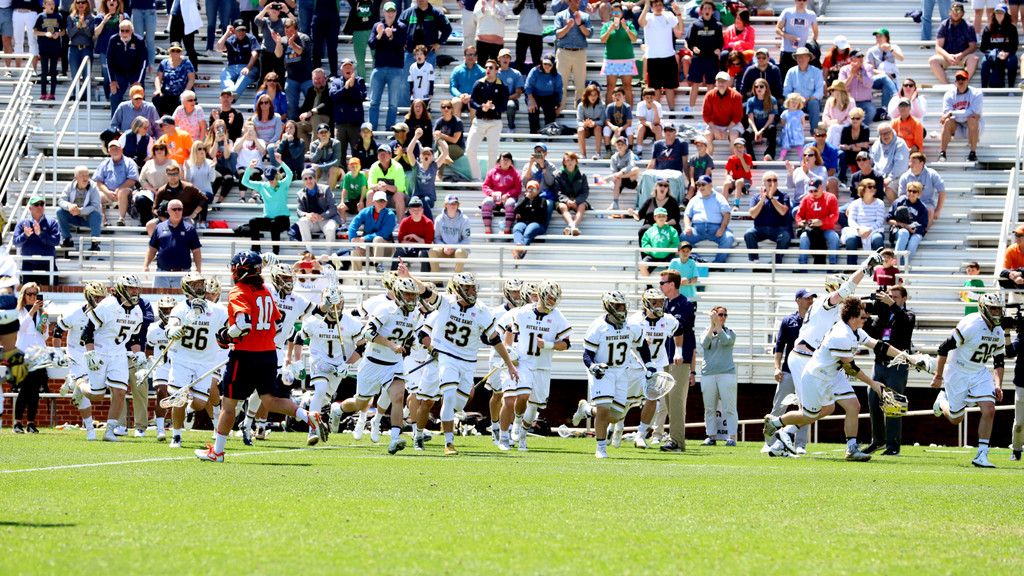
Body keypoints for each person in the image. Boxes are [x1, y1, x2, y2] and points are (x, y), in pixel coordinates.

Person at [195, 252, 327, 462]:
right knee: (271, 400)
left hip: (245, 354)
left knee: (229, 405)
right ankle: (307, 416)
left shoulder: (239, 291)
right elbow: (277, 324)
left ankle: (217, 452)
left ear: (240, 270)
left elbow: (243, 324)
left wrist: (225, 336)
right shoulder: (266, 291)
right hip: (268, 353)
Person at [765, 296, 908, 461]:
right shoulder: (841, 335)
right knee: (809, 415)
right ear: (852, 317)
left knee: (853, 406)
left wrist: (907, 357)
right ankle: (776, 423)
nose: (866, 320)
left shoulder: (855, 329)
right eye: (863, 317)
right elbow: (851, 368)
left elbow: (879, 345)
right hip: (817, 377)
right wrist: (873, 384)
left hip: (833, 374)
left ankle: (852, 449)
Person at [572, 292, 651, 458]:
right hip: (603, 372)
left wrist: (649, 364)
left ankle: (586, 409)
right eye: (617, 306)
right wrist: (592, 366)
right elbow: (587, 353)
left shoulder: (632, 325)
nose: (622, 309)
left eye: (623, 305)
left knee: (616, 416)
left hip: (622, 373)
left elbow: (642, 345)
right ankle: (600, 448)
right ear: (608, 307)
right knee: (603, 410)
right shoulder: (598, 326)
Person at [930, 293, 1004, 468]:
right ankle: (942, 402)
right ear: (984, 308)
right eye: (993, 308)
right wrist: (939, 376)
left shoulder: (999, 330)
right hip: (958, 371)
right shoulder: (972, 324)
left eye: (999, 308)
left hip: (979, 372)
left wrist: (998, 385)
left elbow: (999, 361)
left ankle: (982, 454)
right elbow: (943, 348)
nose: (996, 312)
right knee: (956, 419)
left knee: (990, 409)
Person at [68, 275, 144, 443]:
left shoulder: (138, 311)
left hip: (118, 354)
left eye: (136, 288)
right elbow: (87, 331)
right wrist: (91, 353)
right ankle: (80, 386)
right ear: (122, 288)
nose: (135, 291)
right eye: (131, 288)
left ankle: (109, 431)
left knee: (120, 391)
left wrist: (139, 355)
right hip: (100, 353)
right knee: (97, 396)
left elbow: (135, 338)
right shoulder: (108, 305)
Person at [498, 280, 569, 451]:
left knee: (534, 404)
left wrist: (548, 344)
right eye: (550, 297)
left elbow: (566, 344)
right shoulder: (523, 312)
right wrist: (509, 350)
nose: (553, 301)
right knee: (522, 395)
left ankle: (522, 435)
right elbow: (509, 330)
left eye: (555, 298)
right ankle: (515, 423)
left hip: (543, 366)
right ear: (543, 295)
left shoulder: (558, 317)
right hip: (523, 363)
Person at [165, 274, 229, 449]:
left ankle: (187, 412)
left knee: (200, 403)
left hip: (205, 362)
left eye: (201, 283)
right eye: (195, 284)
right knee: (179, 397)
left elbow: (230, 326)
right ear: (186, 287)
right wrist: (172, 330)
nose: (200, 287)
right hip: (182, 359)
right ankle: (176, 435)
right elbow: (171, 324)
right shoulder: (179, 308)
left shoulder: (216, 309)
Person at [860, 285, 916, 456]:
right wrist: (866, 317)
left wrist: (891, 304)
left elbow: (905, 323)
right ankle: (877, 441)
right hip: (879, 364)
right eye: (890, 296)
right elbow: (870, 333)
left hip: (897, 366)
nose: (891, 299)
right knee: (873, 400)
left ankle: (893, 445)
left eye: (895, 297)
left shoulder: (908, 315)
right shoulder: (883, 315)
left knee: (893, 404)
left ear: (904, 299)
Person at [764, 288, 814, 453]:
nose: (810, 300)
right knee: (779, 406)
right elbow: (779, 346)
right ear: (798, 300)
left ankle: (800, 445)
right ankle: (769, 442)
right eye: (807, 298)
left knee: (805, 408)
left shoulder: (815, 321)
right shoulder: (787, 321)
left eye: (811, 298)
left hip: (807, 372)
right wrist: (776, 368)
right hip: (788, 370)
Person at [698, 305, 737, 445]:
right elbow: (704, 343)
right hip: (708, 374)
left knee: (730, 408)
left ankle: (731, 437)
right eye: (720, 314)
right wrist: (712, 325)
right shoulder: (705, 332)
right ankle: (711, 436)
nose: (722, 317)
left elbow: (726, 341)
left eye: (724, 315)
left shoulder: (730, 333)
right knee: (709, 408)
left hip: (727, 374)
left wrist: (717, 325)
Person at [465, 58, 509, 181]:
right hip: (479, 120)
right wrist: (481, 107)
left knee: (493, 151)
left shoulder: (503, 86)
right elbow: (472, 101)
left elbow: (504, 106)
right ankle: (476, 177)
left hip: (495, 122)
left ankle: (490, 179)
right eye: (486, 67)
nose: (487, 70)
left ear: (496, 71)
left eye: (490, 68)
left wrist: (493, 107)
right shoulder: (478, 83)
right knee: (470, 149)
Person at [142, 199, 202, 288]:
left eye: (180, 209)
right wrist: (146, 265)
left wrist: (198, 270)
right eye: (174, 209)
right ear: (168, 210)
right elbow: (152, 248)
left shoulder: (190, 229)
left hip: (183, 274)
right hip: (161, 273)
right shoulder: (159, 227)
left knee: (182, 300)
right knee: (159, 300)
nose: (177, 211)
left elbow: (196, 251)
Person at [638, 0, 683, 109]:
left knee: (669, 88)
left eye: (660, 5)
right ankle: (656, 113)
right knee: (655, 88)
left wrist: (679, 14)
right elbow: (641, 22)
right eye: (655, 5)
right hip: (653, 58)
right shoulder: (648, 17)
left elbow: (679, 33)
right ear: (652, 7)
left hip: (669, 57)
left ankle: (672, 112)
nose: (658, 7)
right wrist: (646, 5)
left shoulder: (669, 15)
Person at [242, 160, 294, 254]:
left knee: (274, 224)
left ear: (277, 176)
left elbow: (290, 174)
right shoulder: (262, 186)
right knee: (253, 222)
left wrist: (281, 162)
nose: (271, 182)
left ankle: (275, 252)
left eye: (272, 179)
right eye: (269, 179)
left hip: (283, 220)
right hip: (269, 219)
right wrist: (250, 168)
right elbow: (244, 181)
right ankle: (256, 250)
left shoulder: (283, 184)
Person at [682, 175, 733, 264]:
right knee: (683, 237)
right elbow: (686, 215)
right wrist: (687, 227)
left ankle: (718, 265)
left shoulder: (720, 198)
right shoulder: (694, 199)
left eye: (703, 184)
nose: (700, 187)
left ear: (710, 185)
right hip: (697, 230)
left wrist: (722, 228)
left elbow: (726, 214)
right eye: (698, 185)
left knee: (729, 237)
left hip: (715, 230)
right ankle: (698, 261)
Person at [148, 159, 208, 236]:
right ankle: (156, 247)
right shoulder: (162, 190)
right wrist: (165, 220)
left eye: (175, 174)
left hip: (185, 218)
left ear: (179, 174)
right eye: (170, 174)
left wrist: (194, 213)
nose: (173, 177)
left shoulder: (188, 187)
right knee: (150, 225)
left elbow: (204, 199)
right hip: (167, 219)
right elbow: (154, 209)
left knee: (187, 226)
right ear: (166, 175)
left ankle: (184, 247)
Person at [744, 171, 792, 267]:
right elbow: (753, 214)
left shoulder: (784, 195)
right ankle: (755, 261)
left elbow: (783, 211)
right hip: (759, 229)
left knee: (786, 236)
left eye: (775, 180)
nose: (772, 182)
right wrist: (762, 200)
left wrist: (771, 198)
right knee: (748, 234)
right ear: (764, 183)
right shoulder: (756, 196)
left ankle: (776, 262)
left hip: (778, 230)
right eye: (769, 180)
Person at [685, 0, 724, 110]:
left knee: (711, 84)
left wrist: (718, 49)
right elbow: (689, 40)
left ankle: (709, 108)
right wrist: (693, 48)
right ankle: (690, 109)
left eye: (709, 9)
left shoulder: (717, 25)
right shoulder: (695, 24)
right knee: (695, 84)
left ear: (712, 11)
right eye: (705, 8)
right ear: (701, 11)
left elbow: (720, 42)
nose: (707, 10)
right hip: (698, 59)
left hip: (711, 59)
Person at [13, 196, 60, 285]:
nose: (40, 207)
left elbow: (56, 241)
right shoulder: (22, 223)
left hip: (48, 265)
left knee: (50, 295)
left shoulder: (52, 222)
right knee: (29, 296)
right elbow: (16, 243)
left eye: (42, 204)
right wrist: (25, 235)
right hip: (29, 264)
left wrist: (41, 234)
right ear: (30, 208)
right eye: (36, 204)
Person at [939, 70, 984, 163]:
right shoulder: (948, 95)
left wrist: (953, 113)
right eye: (958, 79)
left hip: (972, 127)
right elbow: (946, 113)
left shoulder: (977, 93)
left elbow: (974, 112)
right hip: (957, 126)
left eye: (963, 79)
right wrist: (953, 114)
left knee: (972, 120)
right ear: (955, 81)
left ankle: (973, 153)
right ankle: (942, 153)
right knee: (948, 121)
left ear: (968, 80)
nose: (960, 81)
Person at [929, 3, 980, 84]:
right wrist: (948, 56)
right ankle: (947, 86)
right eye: (953, 10)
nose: (956, 12)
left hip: (963, 57)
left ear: (963, 13)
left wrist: (960, 55)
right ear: (949, 12)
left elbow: (973, 46)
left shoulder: (969, 26)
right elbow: (938, 47)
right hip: (947, 56)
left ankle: (964, 84)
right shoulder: (944, 25)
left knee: (974, 59)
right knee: (933, 60)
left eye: (959, 10)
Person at [552, 0, 591, 106]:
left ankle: (580, 111)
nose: (578, 2)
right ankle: (560, 109)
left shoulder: (585, 16)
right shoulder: (560, 15)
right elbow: (558, 35)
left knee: (580, 86)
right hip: (563, 52)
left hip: (579, 53)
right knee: (561, 84)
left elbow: (589, 34)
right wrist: (568, 27)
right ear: (568, 2)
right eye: (575, 0)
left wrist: (580, 25)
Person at [795, 176, 839, 268]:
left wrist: (822, 222)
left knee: (834, 237)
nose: (813, 193)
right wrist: (800, 223)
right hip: (811, 229)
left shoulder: (830, 197)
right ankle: (802, 265)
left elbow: (835, 216)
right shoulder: (806, 199)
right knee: (803, 237)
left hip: (827, 229)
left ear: (821, 187)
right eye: (811, 191)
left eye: (815, 190)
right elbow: (799, 215)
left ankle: (833, 265)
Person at [57, 166, 103, 253]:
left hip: (89, 219)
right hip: (74, 217)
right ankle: (67, 239)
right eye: (82, 176)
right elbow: (61, 200)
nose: (85, 178)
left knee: (96, 214)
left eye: (87, 175)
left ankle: (95, 243)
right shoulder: (70, 186)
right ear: (76, 178)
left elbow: (95, 206)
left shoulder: (93, 187)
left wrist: (80, 211)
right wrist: (70, 206)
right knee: (60, 211)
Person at [274, 18, 313, 121]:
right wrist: (278, 44)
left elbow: (301, 51)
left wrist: (292, 44)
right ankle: (292, 126)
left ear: (296, 30)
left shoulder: (304, 38)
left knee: (312, 104)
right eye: (286, 31)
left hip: (307, 77)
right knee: (290, 106)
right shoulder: (283, 40)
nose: (288, 33)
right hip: (292, 78)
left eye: (291, 31)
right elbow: (278, 55)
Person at [330, 59, 367, 166]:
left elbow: (361, 97)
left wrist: (351, 87)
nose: (347, 69)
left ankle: (357, 177)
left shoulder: (359, 81)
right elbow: (333, 96)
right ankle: (341, 176)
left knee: (356, 152)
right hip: (340, 124)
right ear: (341, 69)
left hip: (356, 124)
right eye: (345, 67)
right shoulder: (336, 82)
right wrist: (345, 88)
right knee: (339, 153)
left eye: (349, 67)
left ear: (353, 69)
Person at [104, 19, 146, 113]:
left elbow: (143, 62)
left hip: (135, 73)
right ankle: (114, 125)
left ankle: (141, 122)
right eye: (122, 30)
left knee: (139, 94)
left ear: (132, 31)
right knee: (114, 95)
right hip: (119, 74)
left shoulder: (139, 41)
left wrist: (138, 81)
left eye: (127, 30)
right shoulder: (113, 40)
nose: (124, 33)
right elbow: (109, 60)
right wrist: (112, 81)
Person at [348, 190, 396, 272]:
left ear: (386, 202)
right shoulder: (366, 211)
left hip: (386, 248)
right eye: (378, 201)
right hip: (369, 247)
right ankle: (357, 279)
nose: (381, 203)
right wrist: (354, 245)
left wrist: (363, 238)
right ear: (373, 202)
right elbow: (352, 226)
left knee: (378, 239)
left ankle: (378, 267)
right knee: (355, 251)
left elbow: (384, 233)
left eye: (383, 201)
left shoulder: (390, 214)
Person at [841, 180, 886, 266]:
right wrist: (859, 229)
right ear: (863, 189)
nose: (873, 188)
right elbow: (851, 220)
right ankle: (851, 267)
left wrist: (869, 230)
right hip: (858, 231)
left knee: (878, 239)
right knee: (850, 239)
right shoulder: (855, 203)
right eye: (870, 187)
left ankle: (880, 267)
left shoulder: (880, 203)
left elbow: (880, 221)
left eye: (874, 187)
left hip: (873, 230)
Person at [600, 3, 637, 105]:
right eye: (614, 12)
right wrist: (609, 30)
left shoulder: (628, 24)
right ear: (611, 13)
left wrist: (626, 28)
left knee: (627, 86)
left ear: (622, 13)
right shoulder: (607, 25)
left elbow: (634, 39)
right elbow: (602, 40)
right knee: (611, 86)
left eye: (618, 12)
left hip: (627, 59)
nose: (616, 14)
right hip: (611, 60)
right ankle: (608, 113)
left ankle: (629, 113)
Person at [296, 168, 341, 251]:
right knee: (302, 221)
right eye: (305, 179)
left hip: (327, 219)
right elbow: (299, 211)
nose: (308, 181)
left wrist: (321, 216)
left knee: (330, 229)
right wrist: (307, 215)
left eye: (310, 178)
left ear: (315, 179)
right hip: (313, 221)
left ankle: (329, 255)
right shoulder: (300, 193)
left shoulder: (326, 189)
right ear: (303, 181)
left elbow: (333, 208)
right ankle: (309, 253)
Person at [701, 72, 744, 156]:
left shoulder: (736, 96)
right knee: (707, 135)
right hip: (715, 124)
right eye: (719, 81)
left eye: (723, 81)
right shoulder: (709, 95)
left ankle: (734, 162)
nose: (721, 83)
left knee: (734, 136)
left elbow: (737, 116)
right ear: (716, 82)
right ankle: (708, 164)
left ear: (728, 82)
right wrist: (714, 129)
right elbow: (705, 114)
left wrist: (727, 130)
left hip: (731, 125)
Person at [888, 181, 929, 266]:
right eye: (909, 190)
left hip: (914, 231)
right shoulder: (899, 202)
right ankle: (896, 261)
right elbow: (889, 219)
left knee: (915, 238)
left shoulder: (922, 207)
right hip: (899, 230)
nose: (911, 193)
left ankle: (903, 264)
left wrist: (914, 230)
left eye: (914, 191)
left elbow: (923, 226)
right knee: (904, 233)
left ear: (919, 193)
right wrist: (901, 224)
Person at [782, 47, 824, 131]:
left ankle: (815, 133)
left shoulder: (817, 71)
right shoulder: (791, 71)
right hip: (794, 101)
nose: (801, 59)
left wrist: (808, 99)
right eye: (798, 57)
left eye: (803, 56)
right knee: (784, 106)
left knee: (814, 104)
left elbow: (819, 91)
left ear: (808, 58)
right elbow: (786, 91)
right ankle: (787, 133)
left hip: (810, 101)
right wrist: (797, 99)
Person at [897, 152, 946, 223]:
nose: (910, 165)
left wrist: (938, 211)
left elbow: (942, 191)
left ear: (921, 163)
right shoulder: (904, 176)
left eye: (913, 162)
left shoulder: (932, 174)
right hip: (910, 203)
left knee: (929, 211)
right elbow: (902, 195)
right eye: (910, 162)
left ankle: (921, 233)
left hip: (926, 203)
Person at [481, 151, 521, 235]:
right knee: (486, 202)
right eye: (503, 159)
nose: (505, 162)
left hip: (508, 197)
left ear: (511, 162)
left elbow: (518, 189)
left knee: (511, 203)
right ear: (499, 161)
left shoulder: (515, 174)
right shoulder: (492, 172)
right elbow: (485, 186)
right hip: (495, 197)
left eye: (508, 159)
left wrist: (508, 195)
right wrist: (492, 193)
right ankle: (487, 229)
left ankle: (507, 229)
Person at [775, 0, 818, 77]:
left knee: (801, 78)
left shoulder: (811, 14)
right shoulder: (787, 12)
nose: (801, 2)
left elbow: (815, 32)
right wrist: (788, 36)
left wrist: (811, 44)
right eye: (799, 0)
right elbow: (778, 29)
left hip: (802, 52)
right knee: (784, 77)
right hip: (787, 50)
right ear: (795, 1)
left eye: (804, 0)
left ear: (806, 1)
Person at [430, 194, 472, 273]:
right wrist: (444, 247)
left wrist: (453, 248)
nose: (453, 206)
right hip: (444, 250)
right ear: (446, 205)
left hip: (458, 250)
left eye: (455, 203)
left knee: (460, 252)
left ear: (458, 205)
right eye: (451, 203)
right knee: (432, 251)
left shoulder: (465, 220)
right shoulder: (439, 219)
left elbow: (467, 240)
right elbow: (437, 238)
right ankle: (438, 282)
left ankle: (457, 281)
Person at [153, 42, 195, 117]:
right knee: (157, 98)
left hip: (181, 94)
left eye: (178, 51)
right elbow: (158, 78)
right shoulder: (164, 63)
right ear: (169, 51)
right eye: (173, 50)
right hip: (167, 94)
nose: (175, 53)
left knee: (185, 100)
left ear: (181, 52)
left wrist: (185, 92)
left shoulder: (187, 63)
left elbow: (191, 79)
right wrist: (158, 90)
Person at [32, 0, 64, 100]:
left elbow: (63, 31)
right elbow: (35, 31)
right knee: (44, 71)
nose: (51, 6)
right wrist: (45, 34)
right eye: (49, 4)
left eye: (53, 4)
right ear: (44, 5)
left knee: (53, 71)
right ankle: (43, 93)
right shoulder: (41, 16)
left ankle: (52, 93)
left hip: (55, 47)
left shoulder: (58, 16)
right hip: (44, 48)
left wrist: (57, 34)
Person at [980, 5, 1018, 88]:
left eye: (1001, 12)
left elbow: (1014, 46)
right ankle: (984, 88)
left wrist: (1007, 53)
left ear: (1005, 14)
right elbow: (983, 47)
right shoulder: (988, 28)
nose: (999, 14)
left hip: (1007, 54)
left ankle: (1011, 88)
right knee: (984, 62)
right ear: (994, 14)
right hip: (992, 54)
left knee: (1013, 61)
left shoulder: (1012, 28)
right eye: (997, 12)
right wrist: (993, 53)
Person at [391, 196, 433, 271]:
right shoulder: (405, 222)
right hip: (408, 249)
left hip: (422, 250)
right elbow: (401, 241)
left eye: (418, 209)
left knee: (424, 254)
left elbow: (428, 243)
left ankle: (425, 280)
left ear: (422, 210)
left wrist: (413, 236)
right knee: (399, 252)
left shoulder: (428, 223)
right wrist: (420, 241)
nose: (416, 212)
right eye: (413, 209)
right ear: (409, 211)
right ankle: (393, 278)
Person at [869, 122, 909, 198]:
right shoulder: (876, 145)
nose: (885, 136)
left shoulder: (900, 143)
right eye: (882, 134)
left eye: (887, 133)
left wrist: (890, 178)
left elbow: (901, 166)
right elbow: (871, 162)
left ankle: (897, 209)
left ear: (892, 131)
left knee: (889, 188)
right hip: (880, 177)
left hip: (897, 177)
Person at [524, 53, 562, 133]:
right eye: (545, 63)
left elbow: (559, 91)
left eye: (549, 64)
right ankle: (534, 134)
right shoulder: (535, 71)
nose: (547, 66)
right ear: (542, 63)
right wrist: (532, 101)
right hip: (534, 95)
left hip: (549, 96)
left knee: (550, 112)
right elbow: (527, 87)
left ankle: (549, 134)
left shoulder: (557, 76)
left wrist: (559, 106)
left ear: (553, 65)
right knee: (533, 110)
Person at [553, 151, 589, 236]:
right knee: (562, 206)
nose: (570, 162)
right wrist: (566, 200)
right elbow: (557, 191)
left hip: (578, 200)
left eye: (572, 160)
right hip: (564, 201)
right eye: (567, 160)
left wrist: (576, 201)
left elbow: (585, 192)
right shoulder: (558, 175)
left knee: (582, 206)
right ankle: (572, 226)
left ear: (576, 162)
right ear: (564, 162)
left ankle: (573, 227)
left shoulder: (582, 175)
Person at [742, 78, 778, 161]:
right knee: (746, 135)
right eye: (756, 86)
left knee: (772, 129)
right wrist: (756, 132)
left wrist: (761, 131)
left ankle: (769, 154)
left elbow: (771, 119)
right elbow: (750, 119)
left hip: (766, 127)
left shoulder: (772, 100)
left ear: (766, 88)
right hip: (755, 127)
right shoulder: (750, 101)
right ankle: (751, 159)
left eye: (761, 86)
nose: (758, 88)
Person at [511, 180, 546, 259]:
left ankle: (520, 254)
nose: (531, 192)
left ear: (538, 191)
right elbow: (516, 210)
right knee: (517, 228)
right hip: (524, 222)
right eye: (529, 189)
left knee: (528, 232)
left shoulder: (542, 201)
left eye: (534, 189)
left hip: (537, 224)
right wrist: (526, 199)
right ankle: (519, 245)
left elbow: (539, 213)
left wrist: (527, 210)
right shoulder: (523, 200)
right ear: (526, 191)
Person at [640, 208, 679, 277]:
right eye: (659, 216)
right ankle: (649, 285)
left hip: (668, 255)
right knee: (642, 265)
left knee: (675, 266)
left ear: (666, 217)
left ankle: (671, 285)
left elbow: (676, 243)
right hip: (653, 255)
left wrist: (666, 250)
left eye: (663, 216)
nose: (661, 218)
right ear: (654, 218)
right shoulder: (650, 231)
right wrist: (651, 251)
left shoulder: (672, 230)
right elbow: (644, 242)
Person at [449, 45, 485, 118]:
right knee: (455, 102)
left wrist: (472, 96)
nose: (470, 57)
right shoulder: (457, 70)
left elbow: (483, 88)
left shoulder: (482, 72)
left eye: (473, 55)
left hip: (474, 97)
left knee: (474, 103)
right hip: (460, 98)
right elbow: (452, 87)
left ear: (476, 56)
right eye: (468, 55)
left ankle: (474, 128)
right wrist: (460, 95)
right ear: (464, 56)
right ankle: (457, 128)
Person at [607, 136, 641, 210]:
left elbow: (631, 165)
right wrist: (618, 175)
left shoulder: (630, 154)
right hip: (619, 181)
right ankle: (615, 203)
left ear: (626, 146)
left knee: (636, 169)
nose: (619, 146)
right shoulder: (613, 157)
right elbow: (614, 171)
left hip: (630, 179)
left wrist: (621, 173)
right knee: (617, 179)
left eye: (622, 144)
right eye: (618, 144)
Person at [495, 49, 524, 131]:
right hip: (496, 100)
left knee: (510, 105)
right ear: (498, 58)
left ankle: (511, 128)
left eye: (508, 57)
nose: (505, 59)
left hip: (511, 100)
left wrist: (505, 99)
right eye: (503, 57)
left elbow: (518, 94)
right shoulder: (494, 73)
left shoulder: (516, 73)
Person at [576, 84, 606, 159]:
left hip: (597, 127)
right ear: (586, 95)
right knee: (580, 130)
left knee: (598, 128)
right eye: (591, 95)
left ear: (598, 95)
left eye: (595, 95)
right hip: (586, 129)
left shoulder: (602, 105)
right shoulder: (581, 105)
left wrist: (594, 123)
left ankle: (597, 153)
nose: (593, 97)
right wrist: (585, 124)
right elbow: (579, 121)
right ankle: (583, 155)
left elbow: (603, 120)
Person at [723, 138, 753, 210]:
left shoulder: (748, 157)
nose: (739, 149)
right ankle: (724, 205)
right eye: (737, 147)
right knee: (726, 183)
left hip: (746, 180)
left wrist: (741, 158)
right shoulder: (731, 158)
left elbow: (747, 169)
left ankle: (736, 205)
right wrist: (728, 177)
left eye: (741, 147)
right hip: (735, 180)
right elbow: (727, 172)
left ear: (744, 148)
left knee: (739, 182)